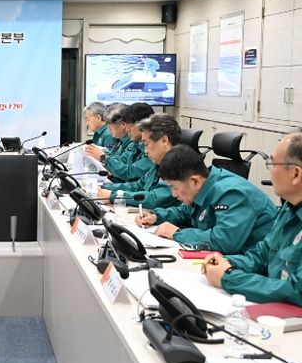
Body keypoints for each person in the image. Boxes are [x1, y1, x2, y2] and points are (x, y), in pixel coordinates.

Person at [202, 132, 302, 305]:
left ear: (295, 174)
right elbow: (262, 255)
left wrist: (228, 277)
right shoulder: (289, 208)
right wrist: (227, 262)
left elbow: (296, 290)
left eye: (273, 164)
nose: (270, 171)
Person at [137, 144, 278, 253]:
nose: (173, 194)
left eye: (174, 187)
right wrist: (156, 216)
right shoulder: (204, 185)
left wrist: (177, 233)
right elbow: (185, 212)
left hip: (257, 266)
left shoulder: (233, 194)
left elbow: (224, 241)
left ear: (195, 181)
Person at [98, 113, 179, 208]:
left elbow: (154, 198)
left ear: (164, 141)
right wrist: (104, 187)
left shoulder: (178, 166)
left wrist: (114, 196)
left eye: (146, 144)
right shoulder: (159, 164)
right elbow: (138, 186)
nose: (145, 151)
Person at [101, 102, 155, 182]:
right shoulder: (137, 143)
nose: (127, 129)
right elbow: (138, 184)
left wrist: (104, 158)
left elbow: (130, 173)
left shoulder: (152, 148)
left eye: (129, 125)